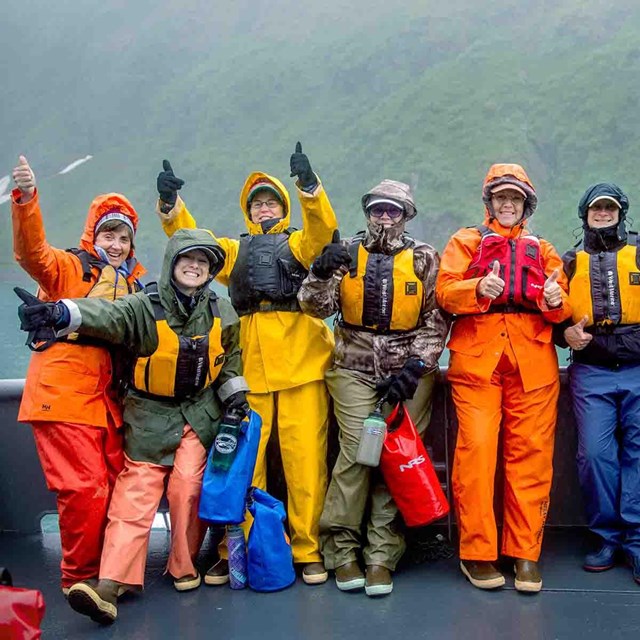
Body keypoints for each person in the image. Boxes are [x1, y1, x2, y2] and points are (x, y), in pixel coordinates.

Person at [17, 228, 248, 624]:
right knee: (134, 494)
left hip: (198, 415)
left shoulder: (221, 310)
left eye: (203, 262)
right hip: (148, 417)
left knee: (187, 486)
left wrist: (234, 399)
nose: (195, 266)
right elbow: (108, 314)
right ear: (172, 262)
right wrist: (62, 313)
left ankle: (183, 566)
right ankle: (109, 585)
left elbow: (230, 361)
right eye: (187, 259)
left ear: (210, 271)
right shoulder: (144, 306)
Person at [155, 143, 337, 585]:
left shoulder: (299, 243)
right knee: (243, 463)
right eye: (256, 203)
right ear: (248, 211)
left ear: (283, 206)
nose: (264, 207)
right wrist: (170, 207)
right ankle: (236, 546)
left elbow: (323, 229)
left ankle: (306, 548)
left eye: (271, 200)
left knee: (305, 464)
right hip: (249, 369)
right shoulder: (232, 253)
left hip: (303, 363)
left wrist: (310, 188)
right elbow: (192, 244)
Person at [298, 179, 450, 596]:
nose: (385, 217)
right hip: (353, 365)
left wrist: (416, 367)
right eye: (378, 209)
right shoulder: (345, 250)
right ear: (367, 211)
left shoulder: (423, 258)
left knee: (395, 458)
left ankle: (382, 554)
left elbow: (437, 319)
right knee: (357, 451)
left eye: (394, 210)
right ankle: (342, 548)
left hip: (408, 373)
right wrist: (320, 270)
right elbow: (315, 307)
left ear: (407, 215)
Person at [10, 155, 145, 596]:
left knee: (113, 488)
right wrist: (26, 199)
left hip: (108, 404)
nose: (117, 243)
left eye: (124, 237)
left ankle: (109, 574)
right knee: (84, 490)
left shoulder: (135, 288)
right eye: (109, 233)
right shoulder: (68, 269)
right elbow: (33, 254)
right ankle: (79, 582)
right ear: (93, 235)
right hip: (63, 393)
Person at [435, 163, 571, 593]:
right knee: (475, 456)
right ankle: (477, 552)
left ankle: (525, 553)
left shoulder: (544, 249)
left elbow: (561, 305)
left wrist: (554, 300)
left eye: (515, 198)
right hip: (477, 362)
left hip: (533, 364)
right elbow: (444, 290)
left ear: (525, 204)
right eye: (500, 197)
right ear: (490, 202)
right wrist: (477, 290)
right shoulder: (465, 241)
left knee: (530, 458)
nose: (507, 204)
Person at [554, 183, 640, 586]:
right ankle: (606, 536)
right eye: (595, 208)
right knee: (594, 454)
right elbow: (551, 314)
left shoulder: (638, 253)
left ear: (621, 212)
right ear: (584, 213)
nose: (602, 214)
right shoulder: (570, 262)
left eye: (609, 208)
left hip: (638, 368)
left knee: (637, 455)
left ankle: (636, 539)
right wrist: (564, 335)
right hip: (591, 371)